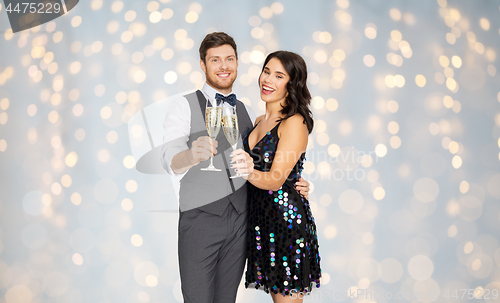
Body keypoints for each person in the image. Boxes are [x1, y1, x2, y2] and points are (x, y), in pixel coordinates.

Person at [161, 32, 311, 303]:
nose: (223, 66)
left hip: (245, 222)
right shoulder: (184, 106)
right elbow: (169, 159)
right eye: (215, 59)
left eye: (229, 58)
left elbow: (272, 162)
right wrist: (190, 155)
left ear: (238, 63)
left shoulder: (244, 110)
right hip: (201, 221)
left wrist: (293, 183)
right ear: (202, 64)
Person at [230, 51, 321, 302]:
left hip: (285, 224)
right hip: (260, 222)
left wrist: (247, 169)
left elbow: (276, 180)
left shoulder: (294, 122)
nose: (268, 80)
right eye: (266, 71)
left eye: (279, 75)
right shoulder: (259, 120)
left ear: (292, 84)